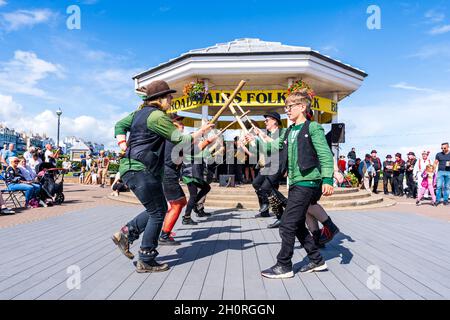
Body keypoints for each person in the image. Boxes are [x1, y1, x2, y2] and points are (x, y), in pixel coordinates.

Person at [111, 80, 215, 273]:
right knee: (158, 212)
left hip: (134, 168)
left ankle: (126, 234)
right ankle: (146, 258)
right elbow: (181, 140)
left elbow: (119, 125)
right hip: (141, 169)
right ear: (158, 99)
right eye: (168, 96)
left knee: (156, 209)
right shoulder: (158, 116)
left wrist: (122, 144)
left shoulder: (138, 114)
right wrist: (202, 132)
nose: (171, 99)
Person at [254, 88, 334, 279]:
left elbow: (325, 154)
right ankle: (316, 260)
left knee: (286, 224)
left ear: (302, 107)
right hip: (296, 182)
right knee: (296, 224)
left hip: (308, 182)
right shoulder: (289, 130)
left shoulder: (313, 128)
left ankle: (284, 265)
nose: (287, 111)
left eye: (290, 107)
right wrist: (257, 138)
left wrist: (328, 179)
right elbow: (274, 146)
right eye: (286, 107)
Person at [251, 111, 286, 224]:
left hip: (278, 164)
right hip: (268, 164)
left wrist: (262, 136)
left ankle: (285, 210)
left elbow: (278, 146)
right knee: (257, 183)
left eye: (267, 120)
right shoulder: (268, 134)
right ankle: (267, 208)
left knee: (267, 189)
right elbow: (264, 150)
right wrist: (253, 141)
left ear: (275, 121)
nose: (264, 122)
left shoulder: (283, 132)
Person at [159, 114, 187, 245]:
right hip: (168, 175)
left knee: (179, 202)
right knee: (177, 204)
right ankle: (164, 235)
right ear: (172, 124)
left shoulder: (173, 138)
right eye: (179, 122)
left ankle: (165, 230)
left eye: (182, 122)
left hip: (169, 175)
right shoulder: (172, 137)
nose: (182, 124)